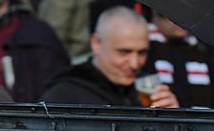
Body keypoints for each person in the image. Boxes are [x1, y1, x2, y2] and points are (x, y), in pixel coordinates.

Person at [40, 6, 179, 107]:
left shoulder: (149, 88)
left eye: (142, 52)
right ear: (96, 43)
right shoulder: (64, 96)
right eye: (124, 52)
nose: (134, 63)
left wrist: (173, 120)